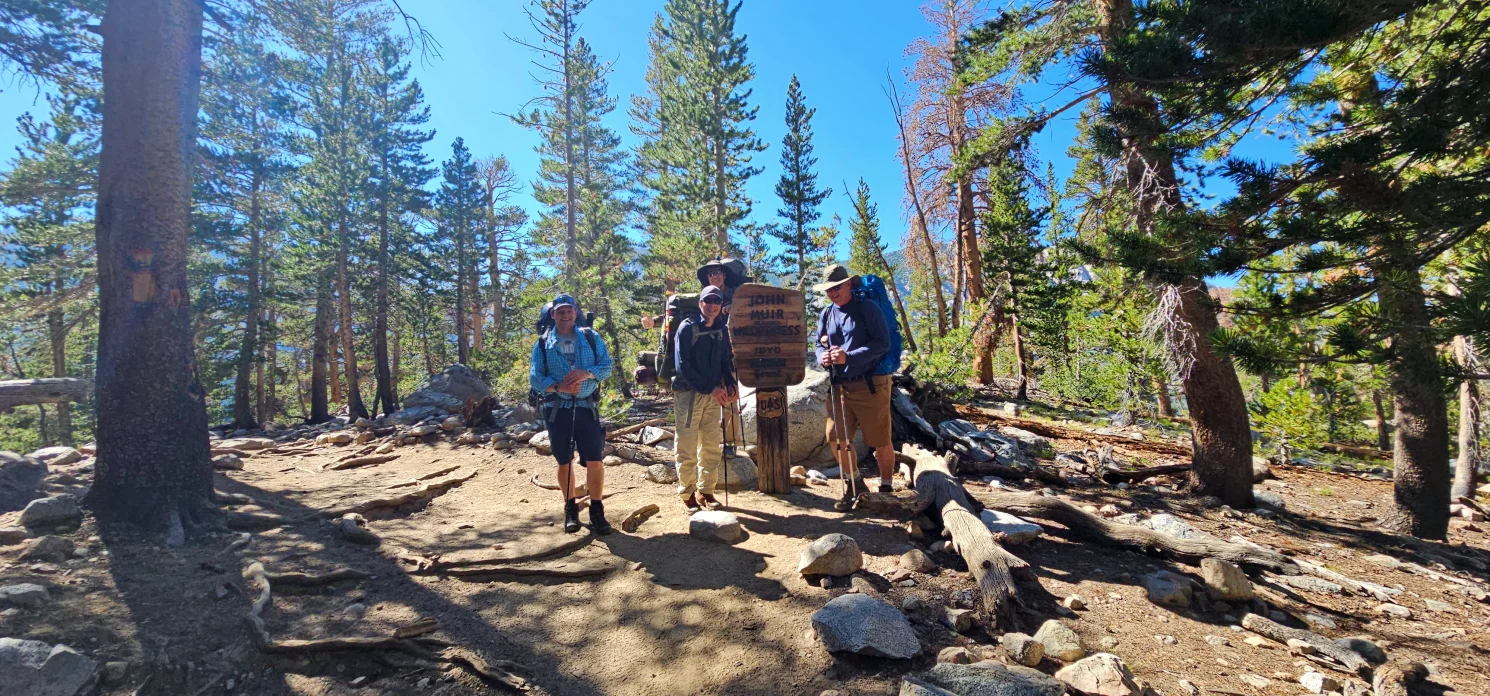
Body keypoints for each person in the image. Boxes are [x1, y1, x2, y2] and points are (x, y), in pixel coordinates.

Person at [812, 264, 896, 511]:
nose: (832, 292)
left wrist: (847, 356)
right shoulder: (827, 314)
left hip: (871, 384)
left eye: (836, 287)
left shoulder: (867, 308)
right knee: (836, 438)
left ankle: (887, 488)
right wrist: (822, 357)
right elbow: (818, 344)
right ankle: (855, 484)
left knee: (880, 440)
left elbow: (882, 343)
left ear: (848, 284)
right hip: (840, 386)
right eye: (828, 289)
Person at [530, 293, 615, 534]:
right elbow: (536, 378)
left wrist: (586, 373)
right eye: (560, 311)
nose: (566, 314)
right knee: (564, 461)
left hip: (587, 408)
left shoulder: (590, 337)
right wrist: (560, 387)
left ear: (575, 312)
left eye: (569, 310)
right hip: (559, 409)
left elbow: (606, 366)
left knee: (595, 461)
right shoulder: (543, 343)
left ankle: (597, 510)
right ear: (553, 314)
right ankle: (570, 509)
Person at [672, 285, 738, 511]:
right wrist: (711, 388)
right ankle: (687, 494)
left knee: (711, 444)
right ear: (700, 303)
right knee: (687, 445)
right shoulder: (687, 328)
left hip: (713, 395)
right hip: (690, 395)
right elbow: (683, 367)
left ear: (721, 305)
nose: (712, 305)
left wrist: (730, 382)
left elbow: (725, 360)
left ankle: (706, 491)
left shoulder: (721, 328)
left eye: (716, 302)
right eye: (708, 301)